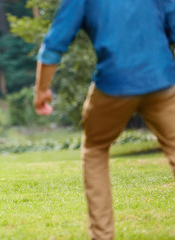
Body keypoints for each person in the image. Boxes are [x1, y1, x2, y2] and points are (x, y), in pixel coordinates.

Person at [34, 1, 175, 239]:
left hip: (113, 85)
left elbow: (54, 44)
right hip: (162, 82)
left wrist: (41, 91)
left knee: (95, 149)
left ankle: (102, 235)